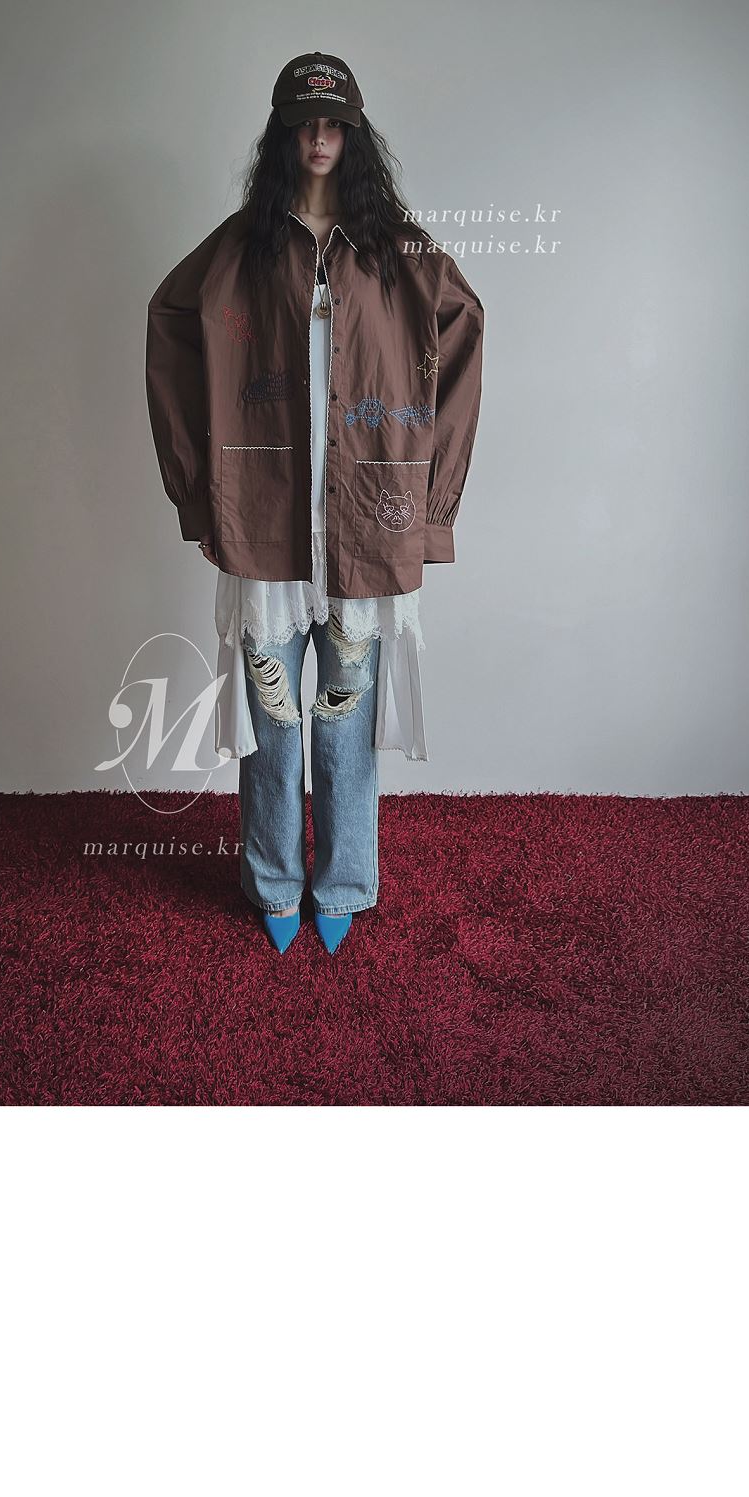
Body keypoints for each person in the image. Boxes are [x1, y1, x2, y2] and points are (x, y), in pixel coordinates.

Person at [146, 50, 485, 955]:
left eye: (335, 124)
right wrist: (199, 491)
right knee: (271, 720)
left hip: (366, 524)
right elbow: (171, 324)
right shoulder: (243, 247)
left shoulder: (399, 250)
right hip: (266, 518)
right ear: (283, 134)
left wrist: (432, 503)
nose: (321, 138)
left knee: (344, 718)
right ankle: (271, 880)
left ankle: (342, 881)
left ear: (355, 134)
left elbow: (464, 332)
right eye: (305, 123)